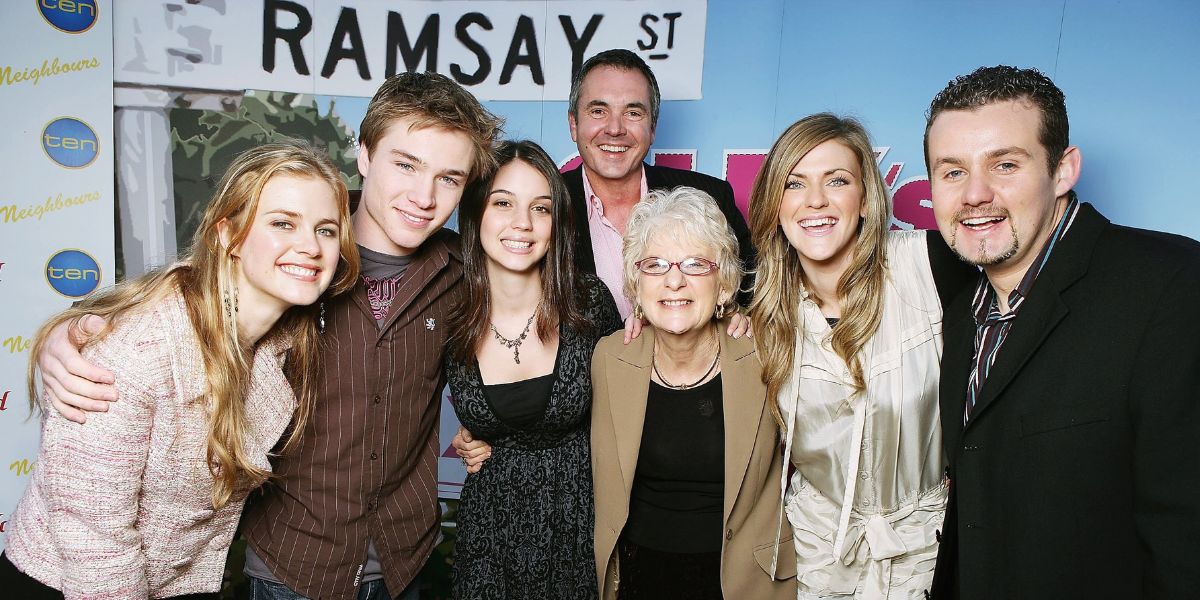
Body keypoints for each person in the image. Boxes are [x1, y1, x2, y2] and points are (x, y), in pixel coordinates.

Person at [34, 72, 504, 600]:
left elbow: (528, 342)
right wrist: (70, 334)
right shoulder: (293, 256)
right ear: (365, 154)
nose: (424, 196)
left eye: (449, 178)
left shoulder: (464, 274)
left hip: (405, 559)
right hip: (292, 563)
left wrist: (493, 429)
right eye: (406, 165)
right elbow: (189, 293)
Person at [0, 141, 359, 600]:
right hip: (74, 584)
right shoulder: (136, 350)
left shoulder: (277, 342)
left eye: (326, 230)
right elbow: (94, 537)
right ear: (228, 235)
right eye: (282, 223)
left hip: (177, 583)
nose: (310, 246)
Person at [924, 66, 1200, 598]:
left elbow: (1186, 537)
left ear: (1063, 170)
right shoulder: (961, 314)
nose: (975, 194)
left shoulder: (1172, 285)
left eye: (1005, 165)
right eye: (952, 171)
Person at [746, 114, 974, 599]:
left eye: (837, 180)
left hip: (924, 550)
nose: (815, 200)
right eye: (794, 183)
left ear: (866, 198)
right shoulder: (760, 308)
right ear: (774, 205)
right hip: (814, 553)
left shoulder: (932, 265)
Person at [589, 187, 796, 599]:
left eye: (696, 264)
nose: (674, 280)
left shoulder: (765, 356)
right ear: (636, 285)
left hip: (745, 584)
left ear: (724, 286)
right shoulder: (609, 358)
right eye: (655, 265)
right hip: (638, 580)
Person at [445, 140, 621, 599]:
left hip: (578, 530)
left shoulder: (589, 303)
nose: (522, 223)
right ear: (475, 213)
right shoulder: (450, 315)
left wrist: (726, 319)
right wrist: (465, 437)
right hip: (488, 538)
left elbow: (638, 402)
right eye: (503, 203)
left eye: (540, 208)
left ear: (556, 222)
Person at [562, 49, 755, 317]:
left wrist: (738, 319)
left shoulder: (711, 198)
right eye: (598, 111)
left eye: (633, 113)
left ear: (652, 128)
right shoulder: (546, 203)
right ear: (573, 124)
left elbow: (752, 300)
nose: (615, 129)